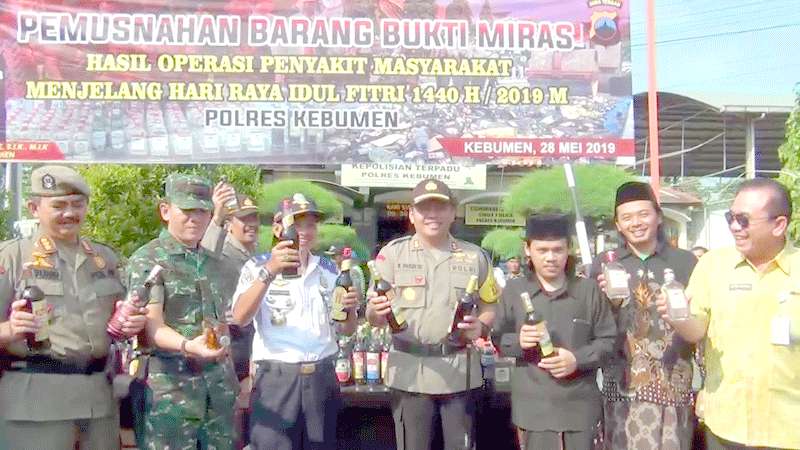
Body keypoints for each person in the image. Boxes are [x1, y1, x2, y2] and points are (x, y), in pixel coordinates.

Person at [0, 165, 146, 449]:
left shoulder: (103, 259)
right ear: (34, 208)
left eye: (77, 204)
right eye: (59, 206)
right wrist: (10, 330)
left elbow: (121, 322)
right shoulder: (12, 259)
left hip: (98, 404)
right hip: (36, 406)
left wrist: (133, 324)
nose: (69, 213)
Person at [366, 178, 500, 450]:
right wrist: (376, 313)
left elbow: (491, 306)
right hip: (410, 372)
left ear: (453, 213)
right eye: (424, 208)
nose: (432, 214)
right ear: (411, 215)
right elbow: (373, 314)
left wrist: (481, 326)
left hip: (459, 372)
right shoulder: (392, 255)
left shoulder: (475, 257)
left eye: (440, 207)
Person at [668, 178, 800, 450]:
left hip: (789, 429)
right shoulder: (713, 265)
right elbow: (696, 331)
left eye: (744, 220)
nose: (734, 227)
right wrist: (676, 315)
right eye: (731, 217)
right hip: (726, 425)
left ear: (779, 225)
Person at [231, 193, 359, 450]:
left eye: (310, 224)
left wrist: (350, 309)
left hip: (321, 377)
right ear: (278, 228)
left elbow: (346, 329)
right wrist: (270, 271)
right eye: (297, 224)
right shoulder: (256, 267)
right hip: (277, 379)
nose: (304, 232)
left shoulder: (329, 270)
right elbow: (240, 318)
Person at [127, 173, 238, 449]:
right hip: (171, 395)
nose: (195, 219)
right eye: (187, 210)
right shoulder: (149, 259)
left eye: (202, 211)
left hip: (218, 393)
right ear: (166, 210)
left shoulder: (216, 262)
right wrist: (189, 346)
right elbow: (152, 326)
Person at [591, 181, 699, 449]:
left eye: (643, 214)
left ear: (658, 217)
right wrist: (608, 303)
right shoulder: (605, 263)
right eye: (626, 217)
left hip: (673, 378)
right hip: (623, 380)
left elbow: (701, 318)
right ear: (618, 224)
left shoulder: (686, 261)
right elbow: (595, 322)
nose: (636, 223)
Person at [494, 214, 616, 450]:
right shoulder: (515, 290)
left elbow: (608, 341)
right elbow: (498, 338)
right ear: (528, 250)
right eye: (542, 250)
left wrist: (577, 359)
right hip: (534, 407)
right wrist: (519, 341)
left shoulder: (588, 291)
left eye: (558, 249)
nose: (550, 257)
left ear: (569, 249)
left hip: (580, 407)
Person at [201, 187, 260, 449]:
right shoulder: (222, 253)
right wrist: (216, 216)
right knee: (232, 426)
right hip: (232, 345)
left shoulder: (258, 255)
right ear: (229, 224)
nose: (251, 224)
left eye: (254, 218)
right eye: (243, 219)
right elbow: (203, 254)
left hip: (254, 344)